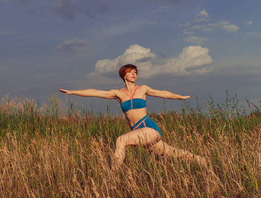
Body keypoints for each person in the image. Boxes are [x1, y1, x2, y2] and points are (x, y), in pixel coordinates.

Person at [59, 64, 207, 168]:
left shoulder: (142, 89)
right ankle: (202, 161)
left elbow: (163, 93)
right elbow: (95, 92)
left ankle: (112, 177)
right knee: (173, 153)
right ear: (124, 75)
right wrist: (73, 92)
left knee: (121, 140)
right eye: (131, 72)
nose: (134, 74)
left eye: (135, 72)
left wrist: (180, 97)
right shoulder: (118, 94)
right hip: (137, 131)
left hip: (149, 128)